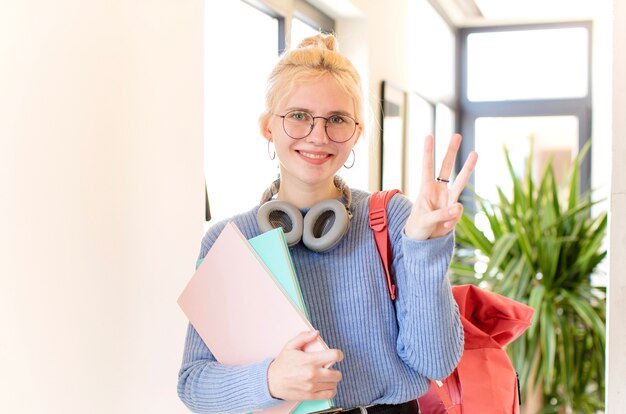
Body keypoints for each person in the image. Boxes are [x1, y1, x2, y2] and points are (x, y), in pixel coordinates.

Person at [177, 33, 478, 413]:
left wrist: (424, 249)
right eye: (299, 116)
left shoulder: (394, 219)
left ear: (356, 134)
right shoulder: (229, 240)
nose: (317, 136)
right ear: (268, 127)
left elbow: (435, 363)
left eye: (337, 119)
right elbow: (193, 385)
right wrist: (270, 379)